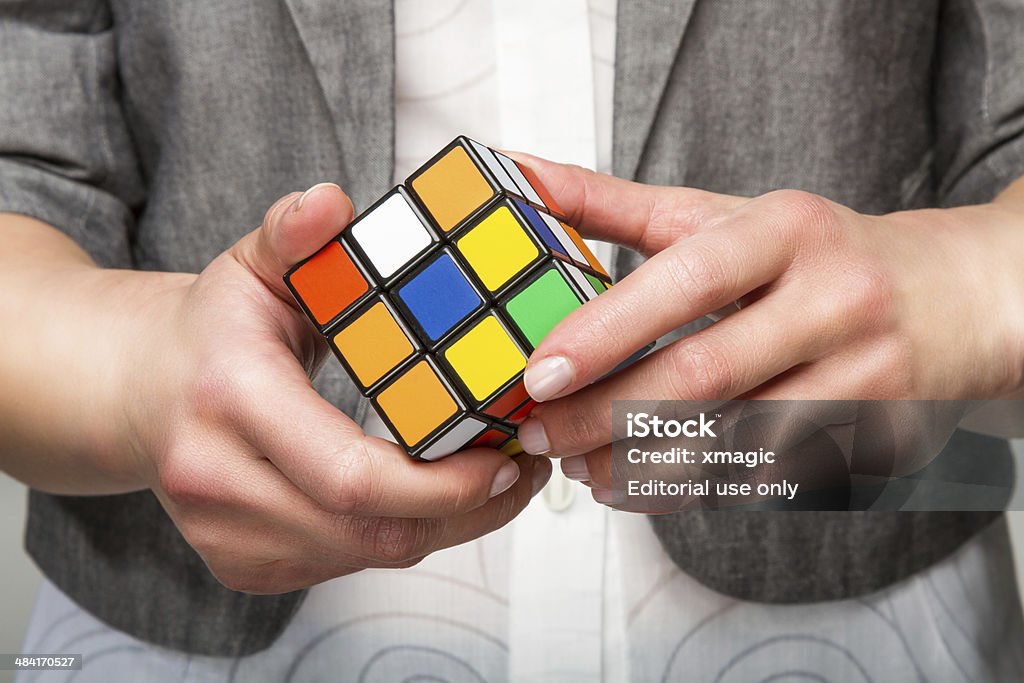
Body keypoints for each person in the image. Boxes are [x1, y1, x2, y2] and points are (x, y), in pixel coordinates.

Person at [1, 0, 1023, 680]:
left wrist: (980, 284)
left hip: (864, 596)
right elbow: (26, 171)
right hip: (187, 627)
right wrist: (138, 372)